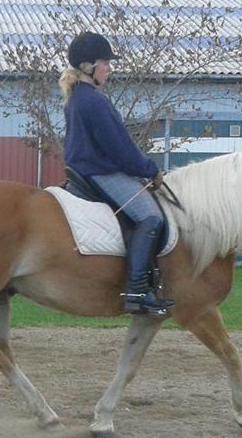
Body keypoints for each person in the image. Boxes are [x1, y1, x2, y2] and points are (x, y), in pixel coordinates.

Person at [60, 31, 175, 316]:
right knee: (151, 216)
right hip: (100, 172)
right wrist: (149, 170)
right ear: (88, 66)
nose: (109, 68)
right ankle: (137, 289)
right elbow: (120, 148)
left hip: (84, 170)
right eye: (105, 62)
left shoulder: (78, 97)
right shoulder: (94, 102)